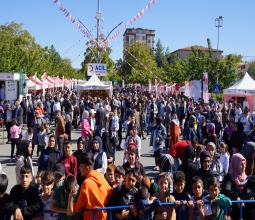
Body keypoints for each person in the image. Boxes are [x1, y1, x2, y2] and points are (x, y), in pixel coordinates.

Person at [67, 153, 112, 220]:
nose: (79, 168)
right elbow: (111, 193)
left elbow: (77, 208)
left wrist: (71, 196)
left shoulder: (86, 183)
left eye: (81, 166)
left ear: (87, 168)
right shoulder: (102, 178)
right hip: (104, 217)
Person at [222, 153, 255, 220]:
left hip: (247, 213)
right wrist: (236, 198)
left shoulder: (249, 179)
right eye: (241, 164)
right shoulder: (229, 177)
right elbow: (226, 190)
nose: (244, 166)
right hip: (233, 212)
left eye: (244, 163)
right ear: (235, 164)